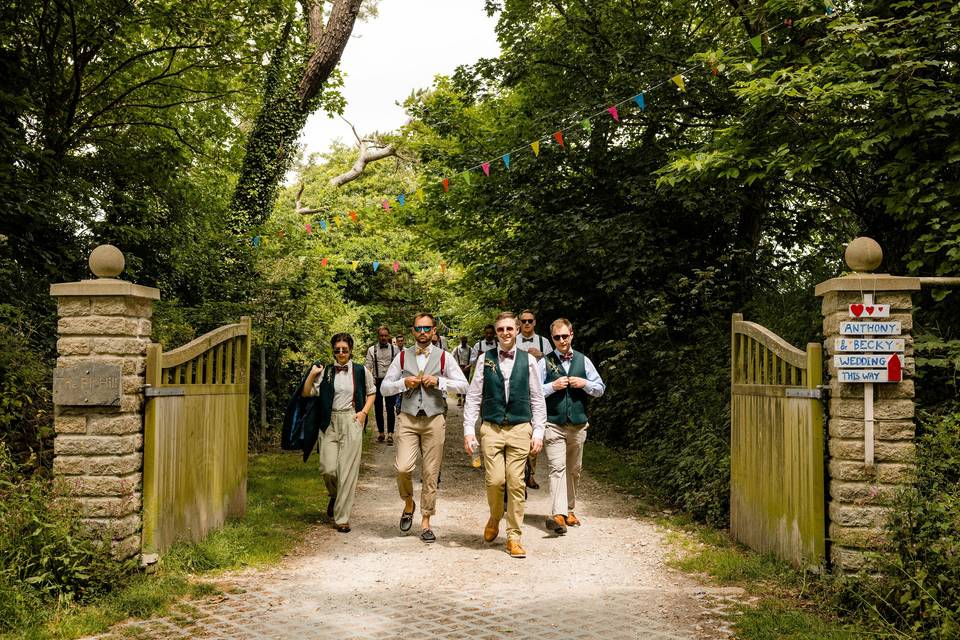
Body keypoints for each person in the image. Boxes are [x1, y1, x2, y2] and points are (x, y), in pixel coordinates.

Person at [462, 312, 546, 558]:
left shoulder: (528, 361)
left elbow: (537, 399)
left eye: (510, 329)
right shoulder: (484, 360)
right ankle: (495, 516)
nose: (506, 333)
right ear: (496, 333)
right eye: (501, 330)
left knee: (516, 482)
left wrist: (538, 431)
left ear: (518, 330)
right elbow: (474, 396)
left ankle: (514, 536)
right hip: (492, 428)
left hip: (521, 428)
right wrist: (469, 431)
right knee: (495, 481)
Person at [380, 313, 469, 543]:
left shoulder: (444, 357)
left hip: (434, 418)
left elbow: (464, 386)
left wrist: (439, 382)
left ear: (433, 331)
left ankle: (426, 520)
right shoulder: (401, 357)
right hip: (408, 418)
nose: (422, 333)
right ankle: (409, 502)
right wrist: (403, 383)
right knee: (402, 467)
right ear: (413, 331)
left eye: (426, 328)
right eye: (418, 328)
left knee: (430, 472)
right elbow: (384, 388)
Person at [300, 333, 376, 533]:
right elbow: (307, 393)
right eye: (337, 350)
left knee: (347, 472)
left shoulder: (360, 371)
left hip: (351, 420)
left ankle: (342, 518)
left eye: (345, 349)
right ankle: (334, 495)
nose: (341, 353)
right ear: (333, 350)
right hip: (329, 422)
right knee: (328, 468)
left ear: (351, 350)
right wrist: (311, 374)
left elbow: (372, 391)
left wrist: (363, 413)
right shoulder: (325, 372)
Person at [538, 318, 606, 534]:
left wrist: (585, 384)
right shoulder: (544, 362)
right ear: (552, 339)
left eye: (564, 336)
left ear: (572, 335)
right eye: (557, 337)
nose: (561, 341)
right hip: (553, 423)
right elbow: (533, 391)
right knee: (557, 468)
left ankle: (568, 509)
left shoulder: (583, 361)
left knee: (574, 470)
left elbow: (600, 388)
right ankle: (558, 515)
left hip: (577, 425)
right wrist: (552, 386)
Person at [516, 309, 550, 489]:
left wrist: (541, 356)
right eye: (524, 321)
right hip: (516, 393)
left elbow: (554, 364)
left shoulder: (544, 343)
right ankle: (519, 473)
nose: (527, 324)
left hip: (537, 393)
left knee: (535, 433)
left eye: (530, 321)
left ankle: (531, 473)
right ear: (519, 323)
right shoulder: (512, 340)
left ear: (535, 322)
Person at [365, 325, 397, 445]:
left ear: (388, 336)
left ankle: (390, 434)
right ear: (378, 336)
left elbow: (398, 367)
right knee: (378, 408)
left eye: (385, 335)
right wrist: (369, 384)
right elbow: (368, 368)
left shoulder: (395, 349)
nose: (383, 337)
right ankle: (381, 433)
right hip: (376, 381)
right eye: (381, 335)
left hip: (390, 382)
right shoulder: (371, 349)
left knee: (390, 408)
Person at [452, 337, 472, 407]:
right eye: (462, 342)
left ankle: (465, 398)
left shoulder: (470, 349)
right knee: (459, 383)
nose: (464, 343)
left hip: (467, 367)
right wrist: (455, 366)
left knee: (466, 383)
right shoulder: (456, 348)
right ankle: (459, 399)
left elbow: (473, 358)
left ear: (466, 341)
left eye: (465, 342)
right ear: (460, 341)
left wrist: (469, 365)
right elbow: (451, 357)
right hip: (458, 367)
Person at [392, 334, 406, 414]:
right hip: (396, 375)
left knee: (403, 392)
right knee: (396, 392)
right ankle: (397, 406)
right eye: (399, 341)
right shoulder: (393, 350)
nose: (400, 342)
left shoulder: (407, 351)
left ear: (404, 341)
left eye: (401, 341)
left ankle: (401, 407)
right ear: (396, 342)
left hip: (404, 374)